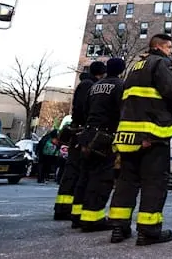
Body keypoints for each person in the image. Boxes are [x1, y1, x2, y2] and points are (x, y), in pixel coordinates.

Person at [108, 34, 172, 246]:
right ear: (160, 47)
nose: (171, 51)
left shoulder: (135, 66)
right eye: (169, 47)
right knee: (154, 183)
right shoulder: (161, 63)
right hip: (153, 133)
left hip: (128, 135)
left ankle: (118, 228)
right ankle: (148, 231)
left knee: (127, 182)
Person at [74, 57, 125, 232]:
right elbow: (122, 111)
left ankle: (77, 215)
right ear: (121, 70)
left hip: (88, 134)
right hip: (105, 136)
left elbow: (85, 109)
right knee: (102, 178)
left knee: (85, 176)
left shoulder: (94, 86)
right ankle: (92, 219)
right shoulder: (120, 86)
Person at [59, 62, 106, 223]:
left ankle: (64, 206)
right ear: (101, 73)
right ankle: (68, 208)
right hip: (81, 131)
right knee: (77, 170)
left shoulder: (85, 84)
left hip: (78, 130)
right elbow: (83, 109)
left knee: (74, 170)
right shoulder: (89, 85)